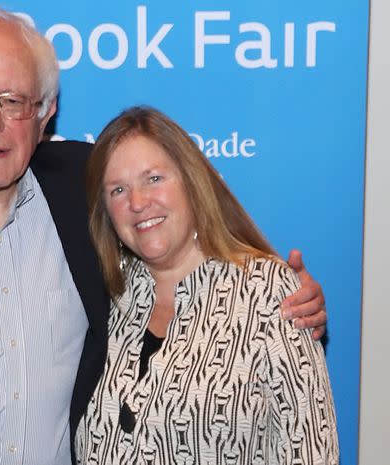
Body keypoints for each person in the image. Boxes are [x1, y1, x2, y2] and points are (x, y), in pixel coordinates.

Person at [0, 4, 327, 465]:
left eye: (12, 100)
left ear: (44, 113)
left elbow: (192, 234)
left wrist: (284, 290)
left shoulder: (93, 185)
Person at [75, 106, 338, 465]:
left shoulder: (268, 291)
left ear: (192, 181)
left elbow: (311, 450)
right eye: (118, 190)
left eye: (153, 179)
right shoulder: (101, 296)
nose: (137, 203)